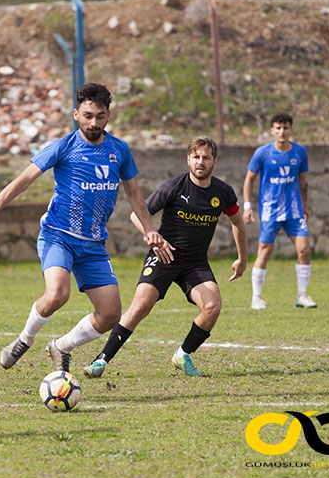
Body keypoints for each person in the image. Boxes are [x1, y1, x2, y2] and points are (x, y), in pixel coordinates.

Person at [0, 83, 171, 373]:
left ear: (108, 116)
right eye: (87, 115)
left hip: (93, 245)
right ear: (76, 114)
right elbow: (23, 180)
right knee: (57, 295)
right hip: (58, 237)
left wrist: (148, 229)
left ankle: (62, 346)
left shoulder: (119, 151)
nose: (93, 122)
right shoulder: (63, 147)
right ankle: (24, 339)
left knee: (111, 313)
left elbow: (134, 195)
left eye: (100, 116)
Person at [83, 137, 247, 379]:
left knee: (212, 307)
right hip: (164, 256)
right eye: (196, 157)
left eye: (206, 157)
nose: (200, 162)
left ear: (214, 161)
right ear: (188, 159)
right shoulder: (173, 187)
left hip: (195, 262)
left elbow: (237, 222)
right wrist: (153, 237)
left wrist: (242, 258)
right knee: (140, 306)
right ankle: (102, 360)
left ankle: (183, 355)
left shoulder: (223, 192)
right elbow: (137, 216)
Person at [243, 112, 316, 310]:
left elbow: (303, 182)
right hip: (270, 211)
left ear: (291, 129)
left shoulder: (299, 152)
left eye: (285, 127)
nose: (282, 131)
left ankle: (302, 295)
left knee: (304, 250)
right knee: (264, 252)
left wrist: (305, 205)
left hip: (294, 211)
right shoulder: (262, 153)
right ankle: (256, 298)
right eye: (278, 128)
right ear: (272, 130)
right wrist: (247, 206)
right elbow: (249, 179)